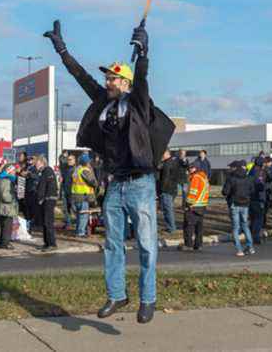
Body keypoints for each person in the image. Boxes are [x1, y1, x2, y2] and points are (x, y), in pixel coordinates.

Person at [44, 18, 174, 324]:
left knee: (144, 244)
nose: (107, 82)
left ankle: (148, 298)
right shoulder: (103, 102)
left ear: (125, 82)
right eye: (108, 79)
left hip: (141, 183)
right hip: (116, 185)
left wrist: (143, 51)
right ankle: (117, 294)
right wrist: (62, 51)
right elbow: (82, 77)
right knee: (113, 243)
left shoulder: (139, 105)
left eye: (113, 79)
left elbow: (142, 80)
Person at [222, 160, 254, 256]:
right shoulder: (248, 178)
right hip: (245, 204)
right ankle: (250, 247)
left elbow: (225, 192)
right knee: (245, 226)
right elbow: (252, 190)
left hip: (235, 204)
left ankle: (239, 249)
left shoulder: (231, 178)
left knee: (236, 227)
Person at [179, 164, 209, 252]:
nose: (189, 170)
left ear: (195, 168)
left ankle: (188, 245)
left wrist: (188, 204)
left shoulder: (195, 177)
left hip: (194, 206)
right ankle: (198, 244)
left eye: (190, 168)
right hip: (202, 205)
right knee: (199, 227)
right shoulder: (203, 177)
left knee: (188, 226)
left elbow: (193, 192)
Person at [34, 155, 58, 251]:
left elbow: (43, 186)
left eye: (37, 163)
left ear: (42, 163)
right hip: (45, 199)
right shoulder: (43, 172)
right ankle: (47, 242)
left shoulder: (47, 171)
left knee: (48, 222)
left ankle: (52, 244)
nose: (35, 165)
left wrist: (41, 198)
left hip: (48, 199)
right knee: (44, 222)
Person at [71, 153, 97, 237]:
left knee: (79, 215)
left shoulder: (76, 170)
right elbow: (92, 182)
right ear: (86, 162)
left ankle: (78, 230)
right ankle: (81, 232)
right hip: (83, 196)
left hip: (75, 195)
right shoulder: (85, 170)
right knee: (83, 215)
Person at [0, 164, 18, 249]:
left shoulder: (6, 179)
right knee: (7, 226)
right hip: (7, 207)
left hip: (5, 207)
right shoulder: (6, 180)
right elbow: (5, 195)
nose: (14, 173)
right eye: (13, 171)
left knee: (4, 225)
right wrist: (12, 198)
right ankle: (5, 243)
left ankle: (2, 243)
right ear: (9, 171)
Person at [158, 150, 178, 234]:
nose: (162, 155)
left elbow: (165, 178)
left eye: (163, 153)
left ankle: (171, 228)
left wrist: (161, 189)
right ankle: (170, 227)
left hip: (166, 189)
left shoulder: (167, 164)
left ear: (167, 154)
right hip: (172, 189)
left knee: (168, 209)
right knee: (168, 209)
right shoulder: (172, 162)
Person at [59, 153, 75, 229]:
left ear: (74, 161)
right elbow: (61, 160)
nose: (69, 161)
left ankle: (77, 223)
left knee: (73, 208)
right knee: (65, 208)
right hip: (65, 191)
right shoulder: (65, 169)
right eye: (68, 159)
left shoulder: (76, 169)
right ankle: (68, 223)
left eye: (70, 160)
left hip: (73, 192)